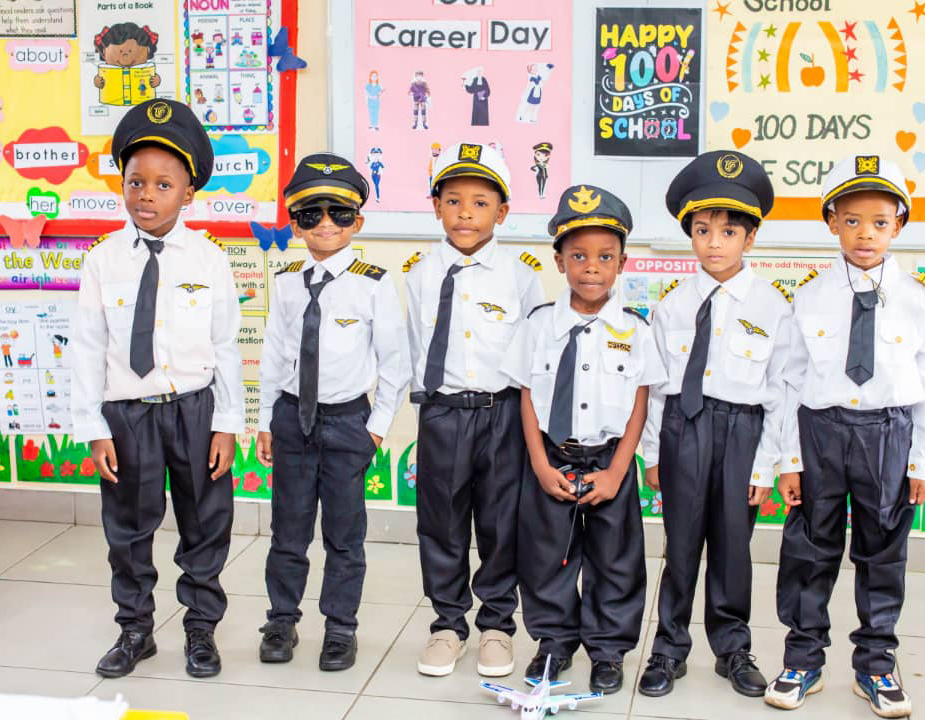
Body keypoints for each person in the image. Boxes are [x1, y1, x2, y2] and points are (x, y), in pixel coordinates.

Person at [765, 155, 925, 718]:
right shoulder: (809, 294)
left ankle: (876, 664)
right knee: (808, 549)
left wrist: (922, 460)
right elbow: (789, 380)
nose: (865, 234)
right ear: (831, 223)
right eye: (851, 220)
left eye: (880, 222)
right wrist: (788, 459)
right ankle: (803, 659)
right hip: (820, 431)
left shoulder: (920, 296)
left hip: (888, 433)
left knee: (883, 551)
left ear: (899, 226)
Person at [71, 99, 243, 680]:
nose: (145, 194)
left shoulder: (210, 260)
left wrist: (227, 424)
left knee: (205, 523)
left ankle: (201, 629)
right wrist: (94, 428)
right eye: (135, 181)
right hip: (127, 415)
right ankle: (135, 630)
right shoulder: (102, 261)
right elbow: (88, 348)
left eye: (163, 184)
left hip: (194, 410)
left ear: (188, 193)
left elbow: (226, 345)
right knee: (127, 528)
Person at [638, 151, 791, 700]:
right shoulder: (673, 306)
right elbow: (656, 388)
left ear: (751, 238)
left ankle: (733, 648)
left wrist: (766, 465)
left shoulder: (773, 307)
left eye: (728, 231)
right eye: (702, 230)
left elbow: (780, 393)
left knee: (732, 548)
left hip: (742, 433)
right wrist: (653, 453)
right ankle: (668, 647)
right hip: (684, 429)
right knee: (680, 546)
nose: (714, 243)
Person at [502, 184, 665, 694]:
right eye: (578, 256)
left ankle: (608, 650)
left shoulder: (636, 330)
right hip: (552, 456)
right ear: (559, 261)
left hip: (610, 461)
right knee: (545, 557)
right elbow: (527, 396)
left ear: (622, 263)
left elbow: (640, 403)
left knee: (615, 562)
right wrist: (539, 464)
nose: (591, 267)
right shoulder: (538, 325)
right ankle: (553, 642)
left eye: (604, 257)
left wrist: (618, 471)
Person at [256, 153, 410, 672]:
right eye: (311, 213)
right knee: (288, 531)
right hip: (290, 420)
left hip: (348, 423)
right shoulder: (286, 280)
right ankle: (281, 620)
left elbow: (395, 364)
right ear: (296, 223)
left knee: (344, 535)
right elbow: (274, 354)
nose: (325, 223)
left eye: (339, 213)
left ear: (357, 222)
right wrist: (265, 419)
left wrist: (376, 429)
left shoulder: (373, 283)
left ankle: (341, 628)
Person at [405, 142, 544, 678]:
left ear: (502, 212)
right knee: (440, 523)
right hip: (441, 413)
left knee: (500, 523)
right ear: (435, 206)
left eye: (481, 203)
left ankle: (496, 626)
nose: (466, 213)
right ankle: (447, 624)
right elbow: (413, 346)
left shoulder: (520, 275)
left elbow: (535, 356)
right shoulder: (419, 273)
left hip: (501, 414)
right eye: (454, 200)